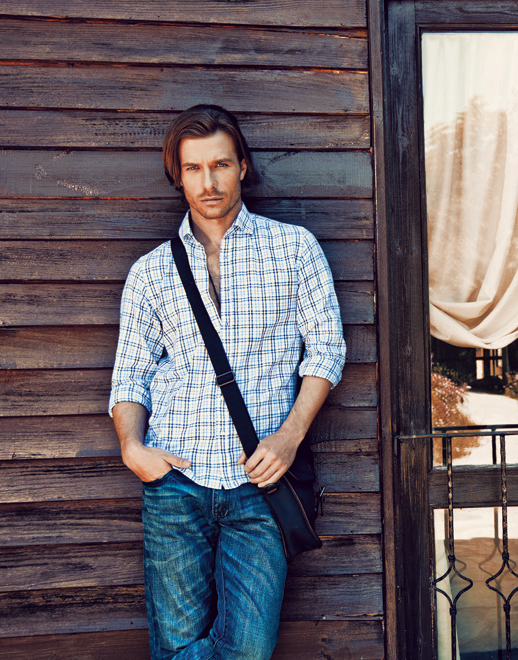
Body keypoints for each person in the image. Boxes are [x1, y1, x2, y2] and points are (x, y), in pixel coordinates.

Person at [109, 104, 346, 659]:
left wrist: (288, 438)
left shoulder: (294, 249)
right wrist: (132, 447)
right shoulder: (150, 272)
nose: (208, 182)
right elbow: (131, 374)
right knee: (176, 645)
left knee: (247, 650)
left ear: (242, 166)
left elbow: (327, 350)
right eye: (193, 168)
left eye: (220, 164)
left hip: (259, 484)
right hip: (175, 482)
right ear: (179, 176)